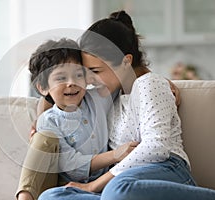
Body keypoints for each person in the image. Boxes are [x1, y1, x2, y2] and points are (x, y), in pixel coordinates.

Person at [38, 10, 215, 200]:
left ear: (125, 61)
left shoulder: (149, 84)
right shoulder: (108, 95)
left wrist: (93, 186)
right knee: (51, 196)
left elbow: (157, 147)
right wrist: (38, 122)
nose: (88, 79)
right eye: (85, 72)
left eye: (95, 71)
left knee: (118, 190)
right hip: (120, 182)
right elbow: (61, 96)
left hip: (165, 170)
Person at [16, 38, 138, 200]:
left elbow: (125, 79)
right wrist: (115, 155)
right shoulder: (49, 121)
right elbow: (72, 166)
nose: (72, 83)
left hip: (104, 185)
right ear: (43, 87)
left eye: (78, 75)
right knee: (44, 140)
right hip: (64, 187)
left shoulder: (100, 98)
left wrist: (160, 82)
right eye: (61, 78)